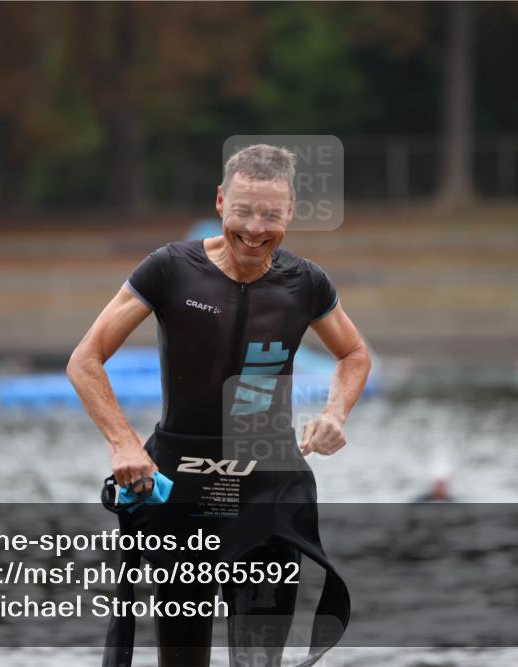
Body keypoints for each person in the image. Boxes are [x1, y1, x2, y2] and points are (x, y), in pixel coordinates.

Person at [68, 144, 371, 667]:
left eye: (271, 215)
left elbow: (354, 354)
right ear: (220, 201)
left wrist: (335, 413)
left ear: (291, 213)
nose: (255, 229)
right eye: (243, 211)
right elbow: (85, 359)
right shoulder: (170, 269)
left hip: (266, 493)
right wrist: (123, 444)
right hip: (182, 491)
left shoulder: (306, 283)